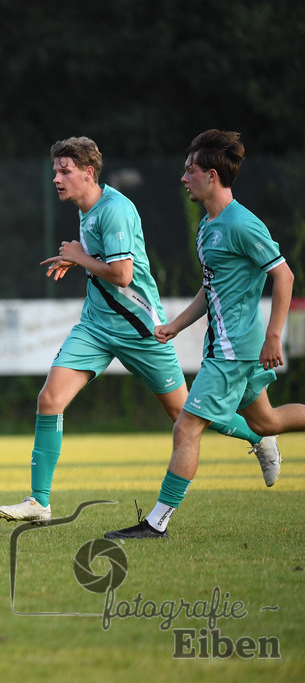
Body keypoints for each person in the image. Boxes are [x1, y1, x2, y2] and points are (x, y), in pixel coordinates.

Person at [0, 136, 280, 525]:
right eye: (55, 171)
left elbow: (123, 274)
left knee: (183, 414)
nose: (57, 179)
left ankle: (258, 436)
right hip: (96, 326)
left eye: (65, 171)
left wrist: (79, 256)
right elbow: (106, 263)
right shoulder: (86, 208)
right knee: (49, 399)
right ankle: (39, 501)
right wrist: (82, 260)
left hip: (140, 327)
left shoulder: (115, 210)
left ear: (88, 173)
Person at [105, 129, 304, 540]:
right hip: (230, 348)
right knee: (265, 422)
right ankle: (157, 521)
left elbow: (283, 275)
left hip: (235, 351)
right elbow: (211, 288)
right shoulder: (209, 225)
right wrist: (177, 325)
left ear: (211, 175)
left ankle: (156, 522)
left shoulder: (241, 224)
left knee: (186, 427)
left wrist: (274, 336)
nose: (184, 178)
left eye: (190, 171)